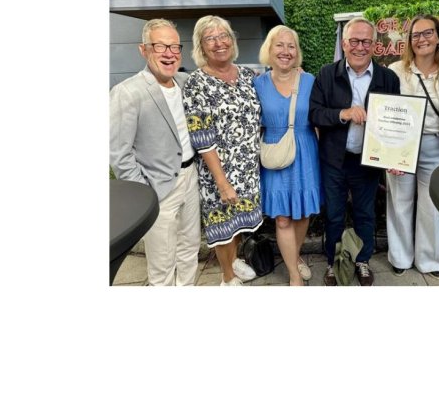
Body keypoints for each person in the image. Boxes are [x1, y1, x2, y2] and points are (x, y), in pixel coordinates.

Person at [309, 17, 400, 286]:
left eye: (366, 41)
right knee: (334, 215)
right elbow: (315, 114)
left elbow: (397, 123)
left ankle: (362, 260)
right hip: (334, 160)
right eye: (354, 41)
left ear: (374, 45)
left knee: (365, 214)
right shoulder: (327, 74)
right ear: (344, 44)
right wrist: (343, 113)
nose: (360, 47)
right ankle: (333, 261)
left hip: (368, 161)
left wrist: (395, 156)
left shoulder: (388, 78)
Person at [109, 18, 201, 286]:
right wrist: (145, 193)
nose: (169, 53)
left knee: (189, 249)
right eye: (160, 46)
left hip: (190, 178)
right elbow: (119, 153)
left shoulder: (185, 82)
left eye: (174, 47)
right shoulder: (127, 92)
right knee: (162, 264)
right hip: (158, 188)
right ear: (144, 49)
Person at [182, 15, 263, 286]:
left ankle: (234, 261)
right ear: (201, 46)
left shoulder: (247, 75)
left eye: (223, 36)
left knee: (239, 223)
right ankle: (227, 277)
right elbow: (201, 136)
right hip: (219, 171)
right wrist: (222, 182)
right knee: (223, 227)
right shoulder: (197, 83)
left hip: (247, 168)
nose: (219, 43)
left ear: (232, 40)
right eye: (210, 38)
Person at [385, 15, 439, 279]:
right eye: (416, 35)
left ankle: (430, 260)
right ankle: (400, 256)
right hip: (403, 145)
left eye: (428, 33)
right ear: (409, 41)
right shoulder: (396, 70)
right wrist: (389, 154)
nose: (422, 39)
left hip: (437, 145)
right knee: (399, 201)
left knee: (433, 206)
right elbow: (386, 112)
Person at [254, 25, 321, 286]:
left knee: (303, 214)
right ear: (269, 50)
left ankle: (295, 255)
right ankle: (294, 274)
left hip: (305, 151)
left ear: (297, 52)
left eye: (291, 46)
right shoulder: (257, 83)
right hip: (275, 152)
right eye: (279, 45)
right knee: (282, 219)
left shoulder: (310, 81)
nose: (286, 51)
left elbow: (319, 119)